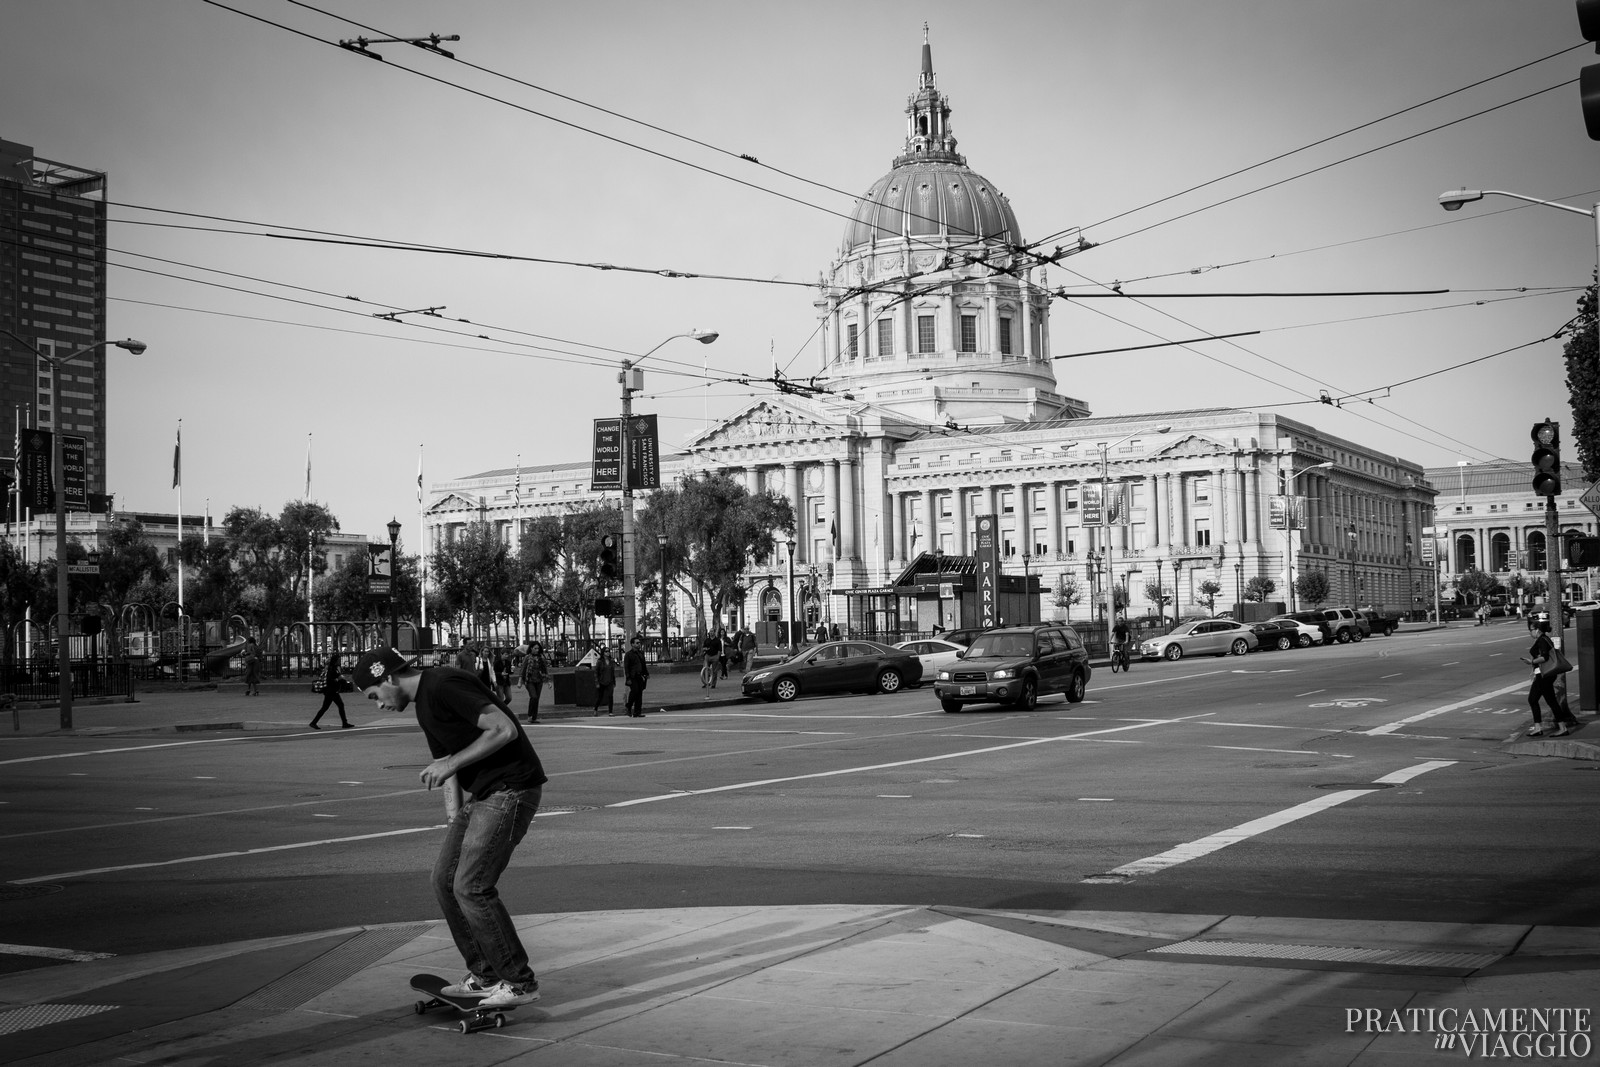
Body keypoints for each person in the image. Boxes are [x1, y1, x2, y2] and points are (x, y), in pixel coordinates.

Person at [352, 647, 545, 1010]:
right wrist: (455, 820)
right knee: (444, 879)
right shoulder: (424, 704)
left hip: (511, 788)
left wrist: (451, 763)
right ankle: (485, 975)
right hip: (485, 795)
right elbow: (446, 764)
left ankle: (519, 982)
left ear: (389, 678)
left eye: (375, 696)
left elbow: (504, 729)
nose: (378, 706)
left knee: (471, 886)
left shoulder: (443, 684)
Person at [1521, 621, 1578, 737]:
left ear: (1537, 630)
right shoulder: (1545, 639)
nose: (1530, 633)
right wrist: (1534, 670)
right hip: (1544, 675)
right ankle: (1554, 727)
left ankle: (1551, 728)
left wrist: (1531, 662)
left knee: (1535, 700)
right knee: (1547, 701)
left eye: (1531, 630)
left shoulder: (1542, 640)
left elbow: (1544, 657)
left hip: (1544, 677)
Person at [309, 646, 352, 729]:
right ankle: (344, 723)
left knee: (328, 707)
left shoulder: (333, 668)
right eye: (338, 660)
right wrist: (338, 680)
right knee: (336, 706)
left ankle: (314, 722)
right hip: (331, 691)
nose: (340, 661)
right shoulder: (332, 669)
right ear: (335, 661)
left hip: (331, 691)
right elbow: (331, 680)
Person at [519, 642, 548, 724]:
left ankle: (534, 717)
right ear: (531, 648)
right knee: (533, 696)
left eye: (538, 649)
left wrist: (548, 680)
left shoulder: (541, 658)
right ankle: (530, 715)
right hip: (529, 680)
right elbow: (523, 669)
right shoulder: (527, 657)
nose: (536, 650)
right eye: (535, 648)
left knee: (537, 699)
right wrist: (520, 680)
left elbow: (545, 669)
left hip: (539, 680)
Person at [623, 635, 649, 718]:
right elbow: (626, 667)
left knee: (639, 693)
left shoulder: (640, 653)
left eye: (639, 643)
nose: (639, 644)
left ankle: (637, 712)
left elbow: (643, 664)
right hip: (632, 676)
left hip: (640, 676)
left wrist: (646, 673)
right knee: (635, 691)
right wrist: (628, 678)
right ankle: (629, 705)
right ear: (632, 644)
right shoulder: (628, 654)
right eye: (637, 643)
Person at [593, 645, 616, 715]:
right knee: (600, 696)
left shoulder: (611, 661)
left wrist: (614, 681)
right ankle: (595, 709)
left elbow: (612, 672)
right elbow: (596, 672)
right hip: (602, 681)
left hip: (610, 681)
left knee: (610, 696)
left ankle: (610, 711)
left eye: (608, 651)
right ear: (603, 653)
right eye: (606, 651)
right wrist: (597, 682)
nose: (608, 653)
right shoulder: (600, 661)